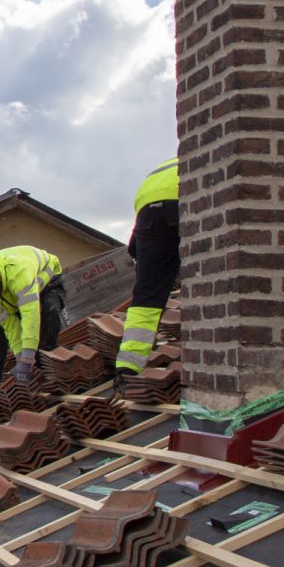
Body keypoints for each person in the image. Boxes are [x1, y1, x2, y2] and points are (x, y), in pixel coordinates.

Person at [0, 245, 65, 403]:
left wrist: (28, 360)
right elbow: (10, 325)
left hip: (45, 281)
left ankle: (48, 372)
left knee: (49, 314)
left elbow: (31, 317)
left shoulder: (19, 273)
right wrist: (19, 358)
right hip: (12, 296)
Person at [115, 156, 181, 398]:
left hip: (148, 210)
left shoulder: (163, 168)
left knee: (146, 297)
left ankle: (127, 367)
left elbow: (134, 249)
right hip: (185, 198)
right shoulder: (196, 153)